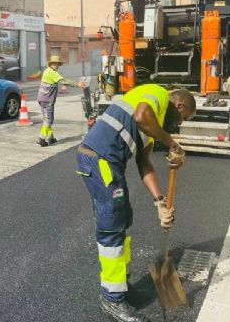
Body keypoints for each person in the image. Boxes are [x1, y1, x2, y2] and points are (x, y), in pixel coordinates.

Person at [76, 84, 196, 322]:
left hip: (110, 164)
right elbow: (140, 116)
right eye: (181, 119)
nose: (177, 125)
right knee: (112, 227)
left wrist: (159, 202)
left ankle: (120, 284)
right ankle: (111, 300)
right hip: (98, 159)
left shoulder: (154, 122)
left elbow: (145, 164)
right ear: (178, 105)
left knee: (124, 221)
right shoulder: (159, 96)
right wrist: (172, 144)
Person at [36, 55, 85, 147]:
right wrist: (77, 84)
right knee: (48, 120)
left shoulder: (48, 71)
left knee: (47, 119)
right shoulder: (52, 73)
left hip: (42, 99)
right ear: (51, 64)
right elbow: (64, 80)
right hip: (47, 100)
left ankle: (50, 138)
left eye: (57, 64)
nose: (57, 65)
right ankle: (41, 138)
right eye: (55, 63)